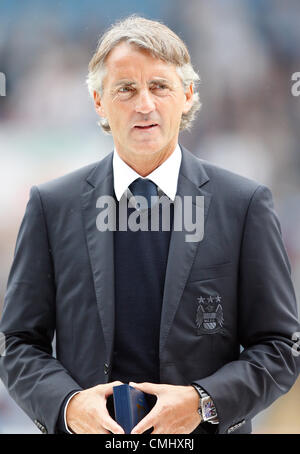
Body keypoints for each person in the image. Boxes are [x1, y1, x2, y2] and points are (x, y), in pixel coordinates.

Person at [0, 15, 299, 435]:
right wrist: (67, 406)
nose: (144, 104)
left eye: (160, 86)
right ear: (98, 102)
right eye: (125, 89)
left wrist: (203, 403)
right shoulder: (52, 206)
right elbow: (15, 344)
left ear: (188, 94)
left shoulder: (244, 205)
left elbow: (281, 347)